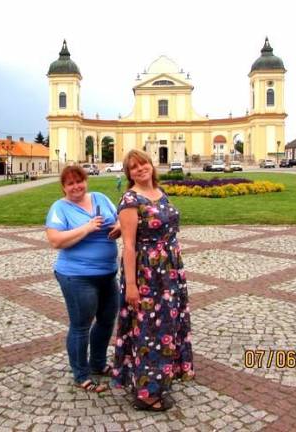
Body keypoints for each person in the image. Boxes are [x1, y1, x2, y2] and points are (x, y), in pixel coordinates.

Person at [112, 149, 194, 411]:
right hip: (147, 274)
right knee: (148, 330)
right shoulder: (130, 199)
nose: (140, 168)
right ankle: (147, 394)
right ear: (128, 173)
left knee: (166, 327)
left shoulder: (159, 192)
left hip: (169, 272)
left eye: (143, 163)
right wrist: (132, 286)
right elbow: (128, 245)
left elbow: (152, 224)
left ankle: (160, 379)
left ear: (151, 165)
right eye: (133, 166)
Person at [46, 165, 120, 393]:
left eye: (79, 181)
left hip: (108, 272)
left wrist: (118, 227)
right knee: (81, 326)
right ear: (63, 187)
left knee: (107, 320)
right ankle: (81, 373)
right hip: (77, 276)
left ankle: (97, 363)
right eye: (70, 183)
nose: (76, 186)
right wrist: (87, 228)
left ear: (86, 181)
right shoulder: (60, 208)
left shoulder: (101, 198)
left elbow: (118, 220)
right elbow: (56, 240)